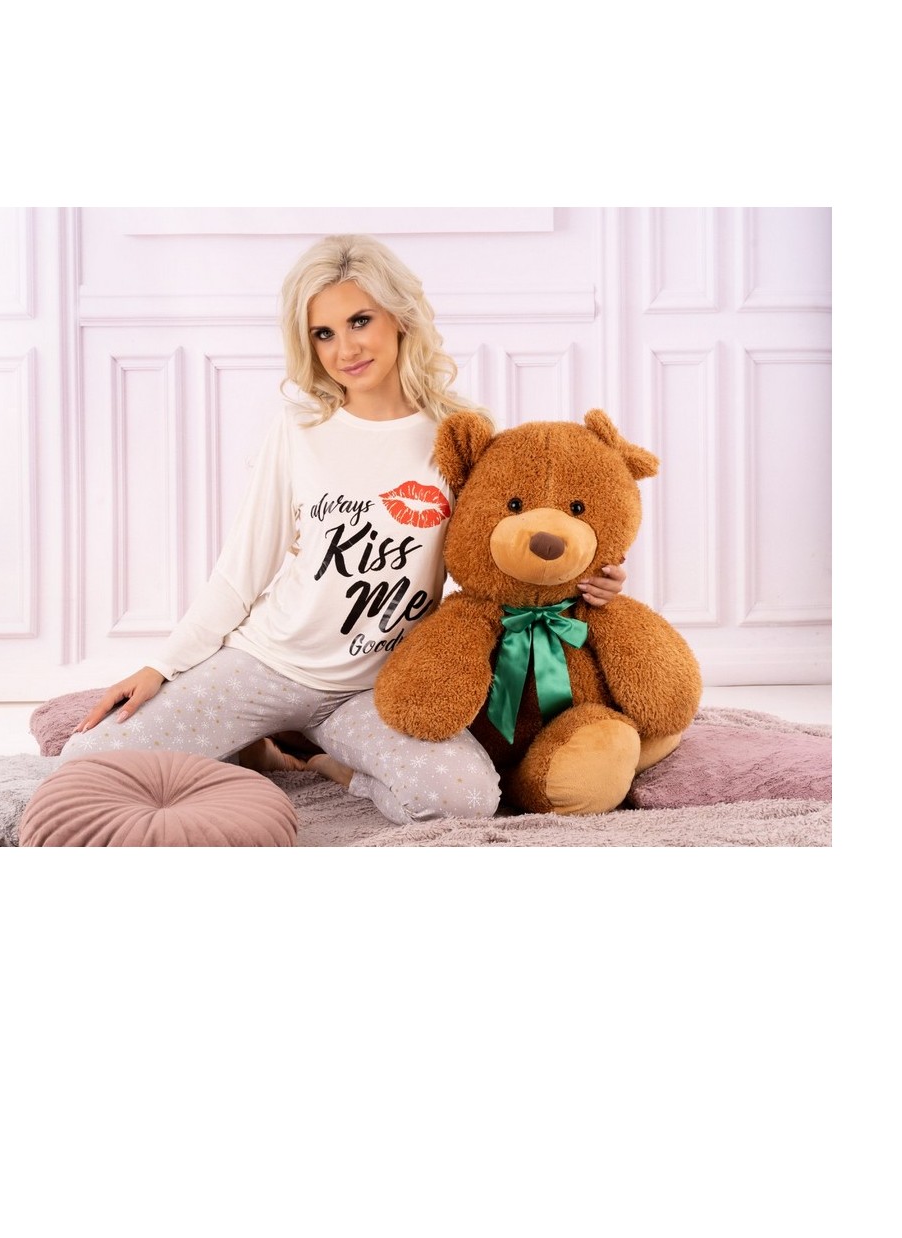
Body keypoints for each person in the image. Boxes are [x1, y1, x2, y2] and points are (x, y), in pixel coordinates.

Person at [60, 234, 627, 825]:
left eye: (360, 321)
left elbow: (503, 557)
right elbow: (241, 571)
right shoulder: (300, 429)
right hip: (268, 665)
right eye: (323, 333)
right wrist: (163, 666)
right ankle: (256, 742)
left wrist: (591, 579)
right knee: (86, 765)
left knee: (465, 799)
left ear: (400, 317)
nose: (345, 349)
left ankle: (321, 764)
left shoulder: (460, 433)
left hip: (380, 687)